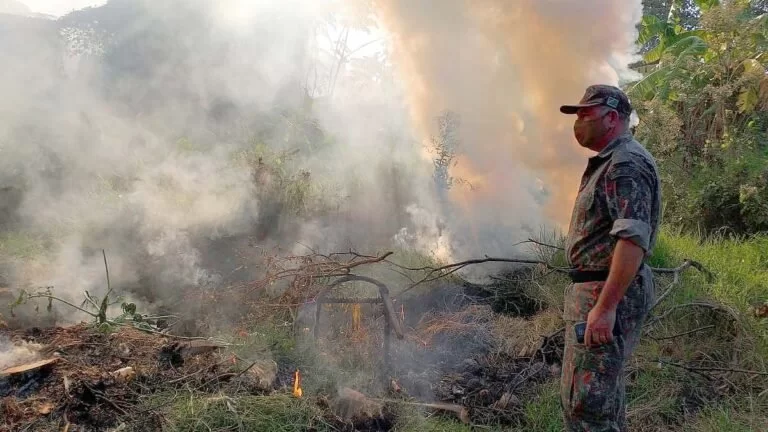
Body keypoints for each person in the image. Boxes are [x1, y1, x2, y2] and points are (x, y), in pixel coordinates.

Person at [558, 85, 661, 431]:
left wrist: (604, 308)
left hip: (604, 291)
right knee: (602, 399)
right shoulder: (611, 161)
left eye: (585, 114)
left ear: (612, 117)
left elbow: (633, 240)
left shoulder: (625, 164)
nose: (578, 122)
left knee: (587, 407)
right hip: (597, 289)